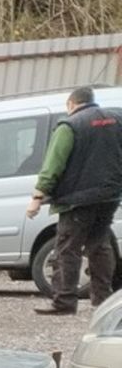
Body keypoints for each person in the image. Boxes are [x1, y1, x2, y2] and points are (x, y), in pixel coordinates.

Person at [28, 85, 122, 315]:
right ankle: (103, 301)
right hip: (109, 195)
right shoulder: (117, 119)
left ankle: (64, 302)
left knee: (68, 249)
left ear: (71, 104)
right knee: (99, 245)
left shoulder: (70, 125)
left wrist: (38, 196)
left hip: (77, 199)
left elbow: (54, 164)